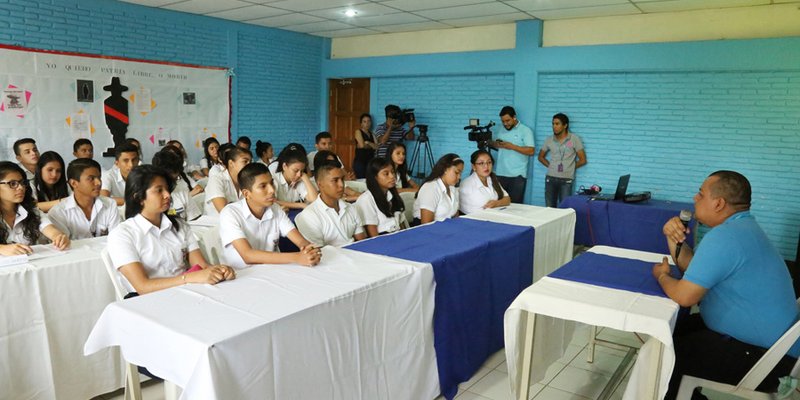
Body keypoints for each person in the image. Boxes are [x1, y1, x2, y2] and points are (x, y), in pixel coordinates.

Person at [653, 171, 799, 400]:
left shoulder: (725, 237)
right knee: (665, 333)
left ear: (718, 203)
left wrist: (661, 276)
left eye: (701, 194)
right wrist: (672, 237)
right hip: (768, 346)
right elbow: (694, 270)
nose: (694, 198)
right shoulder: (742, 229)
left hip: (766, 359)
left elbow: (684, 296)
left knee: (663, 356)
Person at [107, 165, 235, 295]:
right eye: (159, 190)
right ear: (139, 197)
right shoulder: (122, 234)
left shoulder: (179, 225)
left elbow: (201, 265)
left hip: (183, 290)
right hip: (145, 300)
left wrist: (219, 270)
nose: (167, 195)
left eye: (167, 189)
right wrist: (188, 278)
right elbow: (143, 286)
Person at [219, 163, 321, 269]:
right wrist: (297, 257)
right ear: (246, 194)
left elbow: (299, 240)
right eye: (263, 186)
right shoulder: (230, 213)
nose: (272, 190)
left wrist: (309, 250)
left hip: (271, 271)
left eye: (272, 183)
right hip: (241, 275)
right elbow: (248, 255)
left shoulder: (275, 208)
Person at [0, 162, 70, 256]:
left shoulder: (30, 211)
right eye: (13, 184)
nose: (20, 188)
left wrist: (59, 237)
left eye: (22, 183)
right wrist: (2, 248)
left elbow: (50, 229)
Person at [48, 158, 120, 239]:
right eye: (91, 178)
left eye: (99, 177)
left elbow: (116, 238)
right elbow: (63, 247)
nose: (99, 182)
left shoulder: (110, 204)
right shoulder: (58, 213)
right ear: (74, 183)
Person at [295, 164, 365, 246]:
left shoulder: (351, 208)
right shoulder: (309, 215)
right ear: (320, 184)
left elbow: (361, 242)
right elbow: (318, 253)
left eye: (342, 179)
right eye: (335, 180)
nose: (341, 185)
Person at [538, 113, 586, 207]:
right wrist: (551, 166)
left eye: (557, 124)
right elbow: (540, 157)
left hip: (566, 180)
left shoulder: (574, 139)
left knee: (564, 208)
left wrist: (570, 167)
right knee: (549, 208)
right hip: (550, 178)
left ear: (565, 125)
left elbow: (583, 160)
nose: (554, 126)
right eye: (553, 124)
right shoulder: (549, 139)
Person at [490, 106, 535, 204]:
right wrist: (495, 144)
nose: (505, 124)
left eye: (508, 120)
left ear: (514, 117)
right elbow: (499, 146)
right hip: (500, 173)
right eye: (503, 121)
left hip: (517, 175)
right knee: (498, 204)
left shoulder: (525, 130)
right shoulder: (501, 129)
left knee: (515, 206)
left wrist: (512, 146)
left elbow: (531, 151)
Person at [355, 158, 407, 237]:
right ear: (375, 177)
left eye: (393, 172)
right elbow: (373, 236)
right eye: (386, 174)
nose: (392, 176)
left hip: (398, 235)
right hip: (382, 239)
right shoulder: (366, 199)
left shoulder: (392, 195)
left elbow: (402, 225)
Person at [152, 148, 202, 221]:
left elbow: (195, 220)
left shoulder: (181, 190)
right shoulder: (148, 196)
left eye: (175, 179)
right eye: (169, 180)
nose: (173, 183)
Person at [413, 154, 464, 225]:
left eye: (460, 173)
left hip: (446, 228)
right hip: (428, 231)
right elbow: (426, 225)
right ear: (445, 169)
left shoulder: (453, 188)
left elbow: (455, 216)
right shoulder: (431, 188)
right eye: (456, 172)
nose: (459, 177)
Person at [459, 150, 510, 215]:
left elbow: (507, 199)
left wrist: (496, 203)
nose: (486, 166)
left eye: (489, 162)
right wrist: (498, 203)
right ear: (473, 167)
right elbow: (473, 211)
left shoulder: (492, 179)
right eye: (481, 163)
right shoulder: (467, 185)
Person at [204, 146, 251, 216]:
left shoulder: (247, 181)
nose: (249, 165)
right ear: (231, 163)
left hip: (238, 221)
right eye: (245, 161)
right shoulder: (216, 179)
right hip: (215, 223)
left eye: (250, 162)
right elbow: (224, 211)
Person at [274, 145, 318, 210]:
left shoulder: (300, 179)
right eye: (295, 170)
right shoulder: (274, 180)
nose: (299, 174)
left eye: (302, 171)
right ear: (284, 166)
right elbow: (272, 201)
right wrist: (300, 205)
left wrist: (305, 177)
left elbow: (314, 199)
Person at [352, 113, 377, 179]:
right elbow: (362, 145)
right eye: (364, 121)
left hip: (370, 162)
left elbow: (377, 147)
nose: (367, 123)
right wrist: (372, 145)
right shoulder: (358, 131)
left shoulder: (372, 134)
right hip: (360, 162)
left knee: (370, 181)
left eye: (369, 121)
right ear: (361, 123)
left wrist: (368, 142)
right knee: (361, 181)